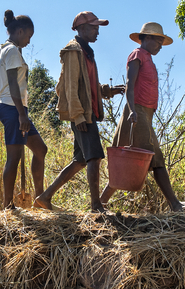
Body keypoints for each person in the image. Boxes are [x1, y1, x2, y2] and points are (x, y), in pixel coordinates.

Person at [35, 11, 124, 212]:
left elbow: (88, 86)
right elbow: (70, 86)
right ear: (81, 29)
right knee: (94, 157)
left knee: (81, 159)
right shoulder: (73, 51)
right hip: (83, 114)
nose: (97, 32)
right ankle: (96, 205)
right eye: (94, 27)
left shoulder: (87, 52)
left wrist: (107, 91)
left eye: (97, 27)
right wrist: (77, 115)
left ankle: (45, 197)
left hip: (87, 111)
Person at [99, 22, 184, 211]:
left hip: (145, 114)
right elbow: (130, 84)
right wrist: (133, 110)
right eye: (158, 41)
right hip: (137, 111)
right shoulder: (137, 55)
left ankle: (99, 204)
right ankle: (176, 205)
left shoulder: (149, 59)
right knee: (157, 159)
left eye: (162, 42)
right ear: (146, 38)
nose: (160, 46)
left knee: (126, 163)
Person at [0, 9, 47, 208]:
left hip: (12, 107)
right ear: (20, 31)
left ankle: (40, 199)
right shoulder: (12, 50)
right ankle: (8, 205)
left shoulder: (3, 50)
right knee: (14, 157)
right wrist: (21, 114)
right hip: (13, 109)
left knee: (40, 149)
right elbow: (12, 83)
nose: (29, 41)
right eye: (29, 36)